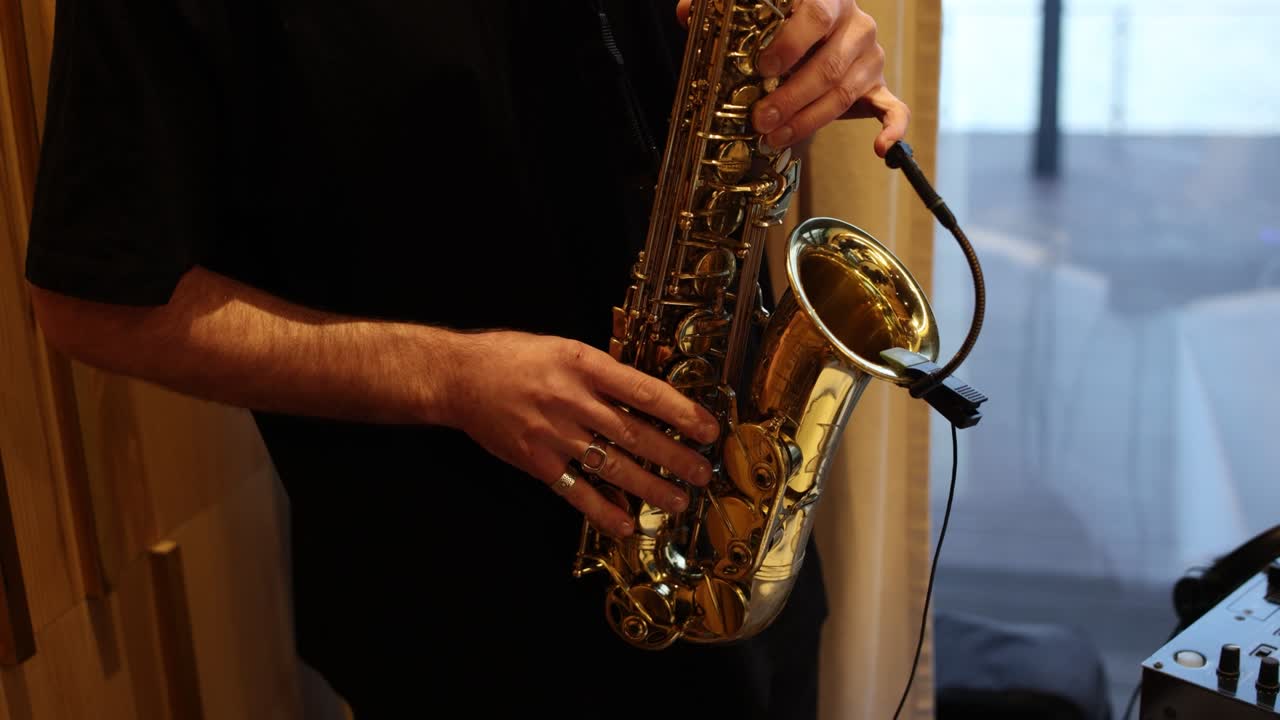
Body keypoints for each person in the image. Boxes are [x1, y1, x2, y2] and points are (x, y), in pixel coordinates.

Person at [26, 1, 910, 717]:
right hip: (465, 626)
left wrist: (819, 62)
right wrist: (449, 378)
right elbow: (91, 307)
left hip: (735, 565)